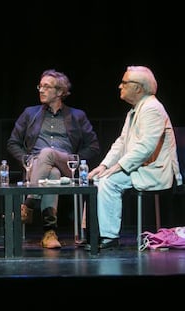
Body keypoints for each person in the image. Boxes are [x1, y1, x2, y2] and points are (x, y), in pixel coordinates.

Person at [86, 65, 183, 251]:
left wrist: (119, 166)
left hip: (154, 170)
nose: (119, 86)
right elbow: (122, 142)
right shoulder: (136, 109)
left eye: (124, 82)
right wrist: (104, 165)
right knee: (95, 178)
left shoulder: (152, 109)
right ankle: (93, 232)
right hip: (140, 167)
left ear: (138, 88)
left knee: (109, 182)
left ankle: (109, 236)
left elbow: (145, 147)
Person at [7, 69, 100, 248]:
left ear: (59, 92)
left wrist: (75, 160)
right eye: (40, 86)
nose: (41, 90)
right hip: (36, 166)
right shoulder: (30, 113)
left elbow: (94, 146)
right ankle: (49, 232)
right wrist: (26, 161)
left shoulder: (76, 115)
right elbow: (13, 143)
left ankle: (28, 204)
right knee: (53, 173)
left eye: (46, 87)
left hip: (67, 163)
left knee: (48, 153)